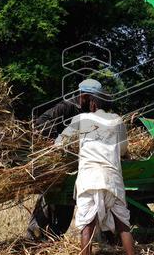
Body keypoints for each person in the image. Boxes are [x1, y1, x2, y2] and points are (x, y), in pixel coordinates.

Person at [55, 84, 138, 255]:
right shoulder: (116, 120)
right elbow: (124, 149)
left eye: (82, 99)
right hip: (112, 180)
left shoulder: (80, 119)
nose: (80, 102)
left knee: (87, 225)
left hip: (89, 180)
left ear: (90, 101)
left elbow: (59, 144)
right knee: (123, 224)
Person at [26, 79, 103, 239]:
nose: (95, 102)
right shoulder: (67, 106)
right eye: (93, 98)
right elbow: (41, 121)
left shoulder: (91, 111)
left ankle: (54, 236)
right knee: (51, 199)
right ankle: (33, 236)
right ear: (84, 95)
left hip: (77, 164)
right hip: (59, 162)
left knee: (67, 205)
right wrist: (56, 141)